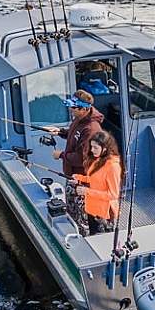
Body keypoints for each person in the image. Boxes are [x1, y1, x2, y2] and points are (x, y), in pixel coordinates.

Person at [46, 89, 104, 233]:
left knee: (81, 215)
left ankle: (84, 240)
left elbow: (82, 158)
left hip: (84, 180)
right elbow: (74, 134)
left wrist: (61, 155)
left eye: (73, 107)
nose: (70, 109)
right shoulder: (80, 119)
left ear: (84, 109)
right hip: (73, 177)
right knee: (77, 212)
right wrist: (60, 132)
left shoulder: (91, 129)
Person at [70, 130, 122, 235]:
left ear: (105, 149)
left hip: (103, 215)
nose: (92, 150)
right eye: (91, 146)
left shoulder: (113, 166)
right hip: (92, 209)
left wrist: (87, 191)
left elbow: (113, 194)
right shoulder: (98, 160)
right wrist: (79, 178)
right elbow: (95, 179)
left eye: (95, 148)